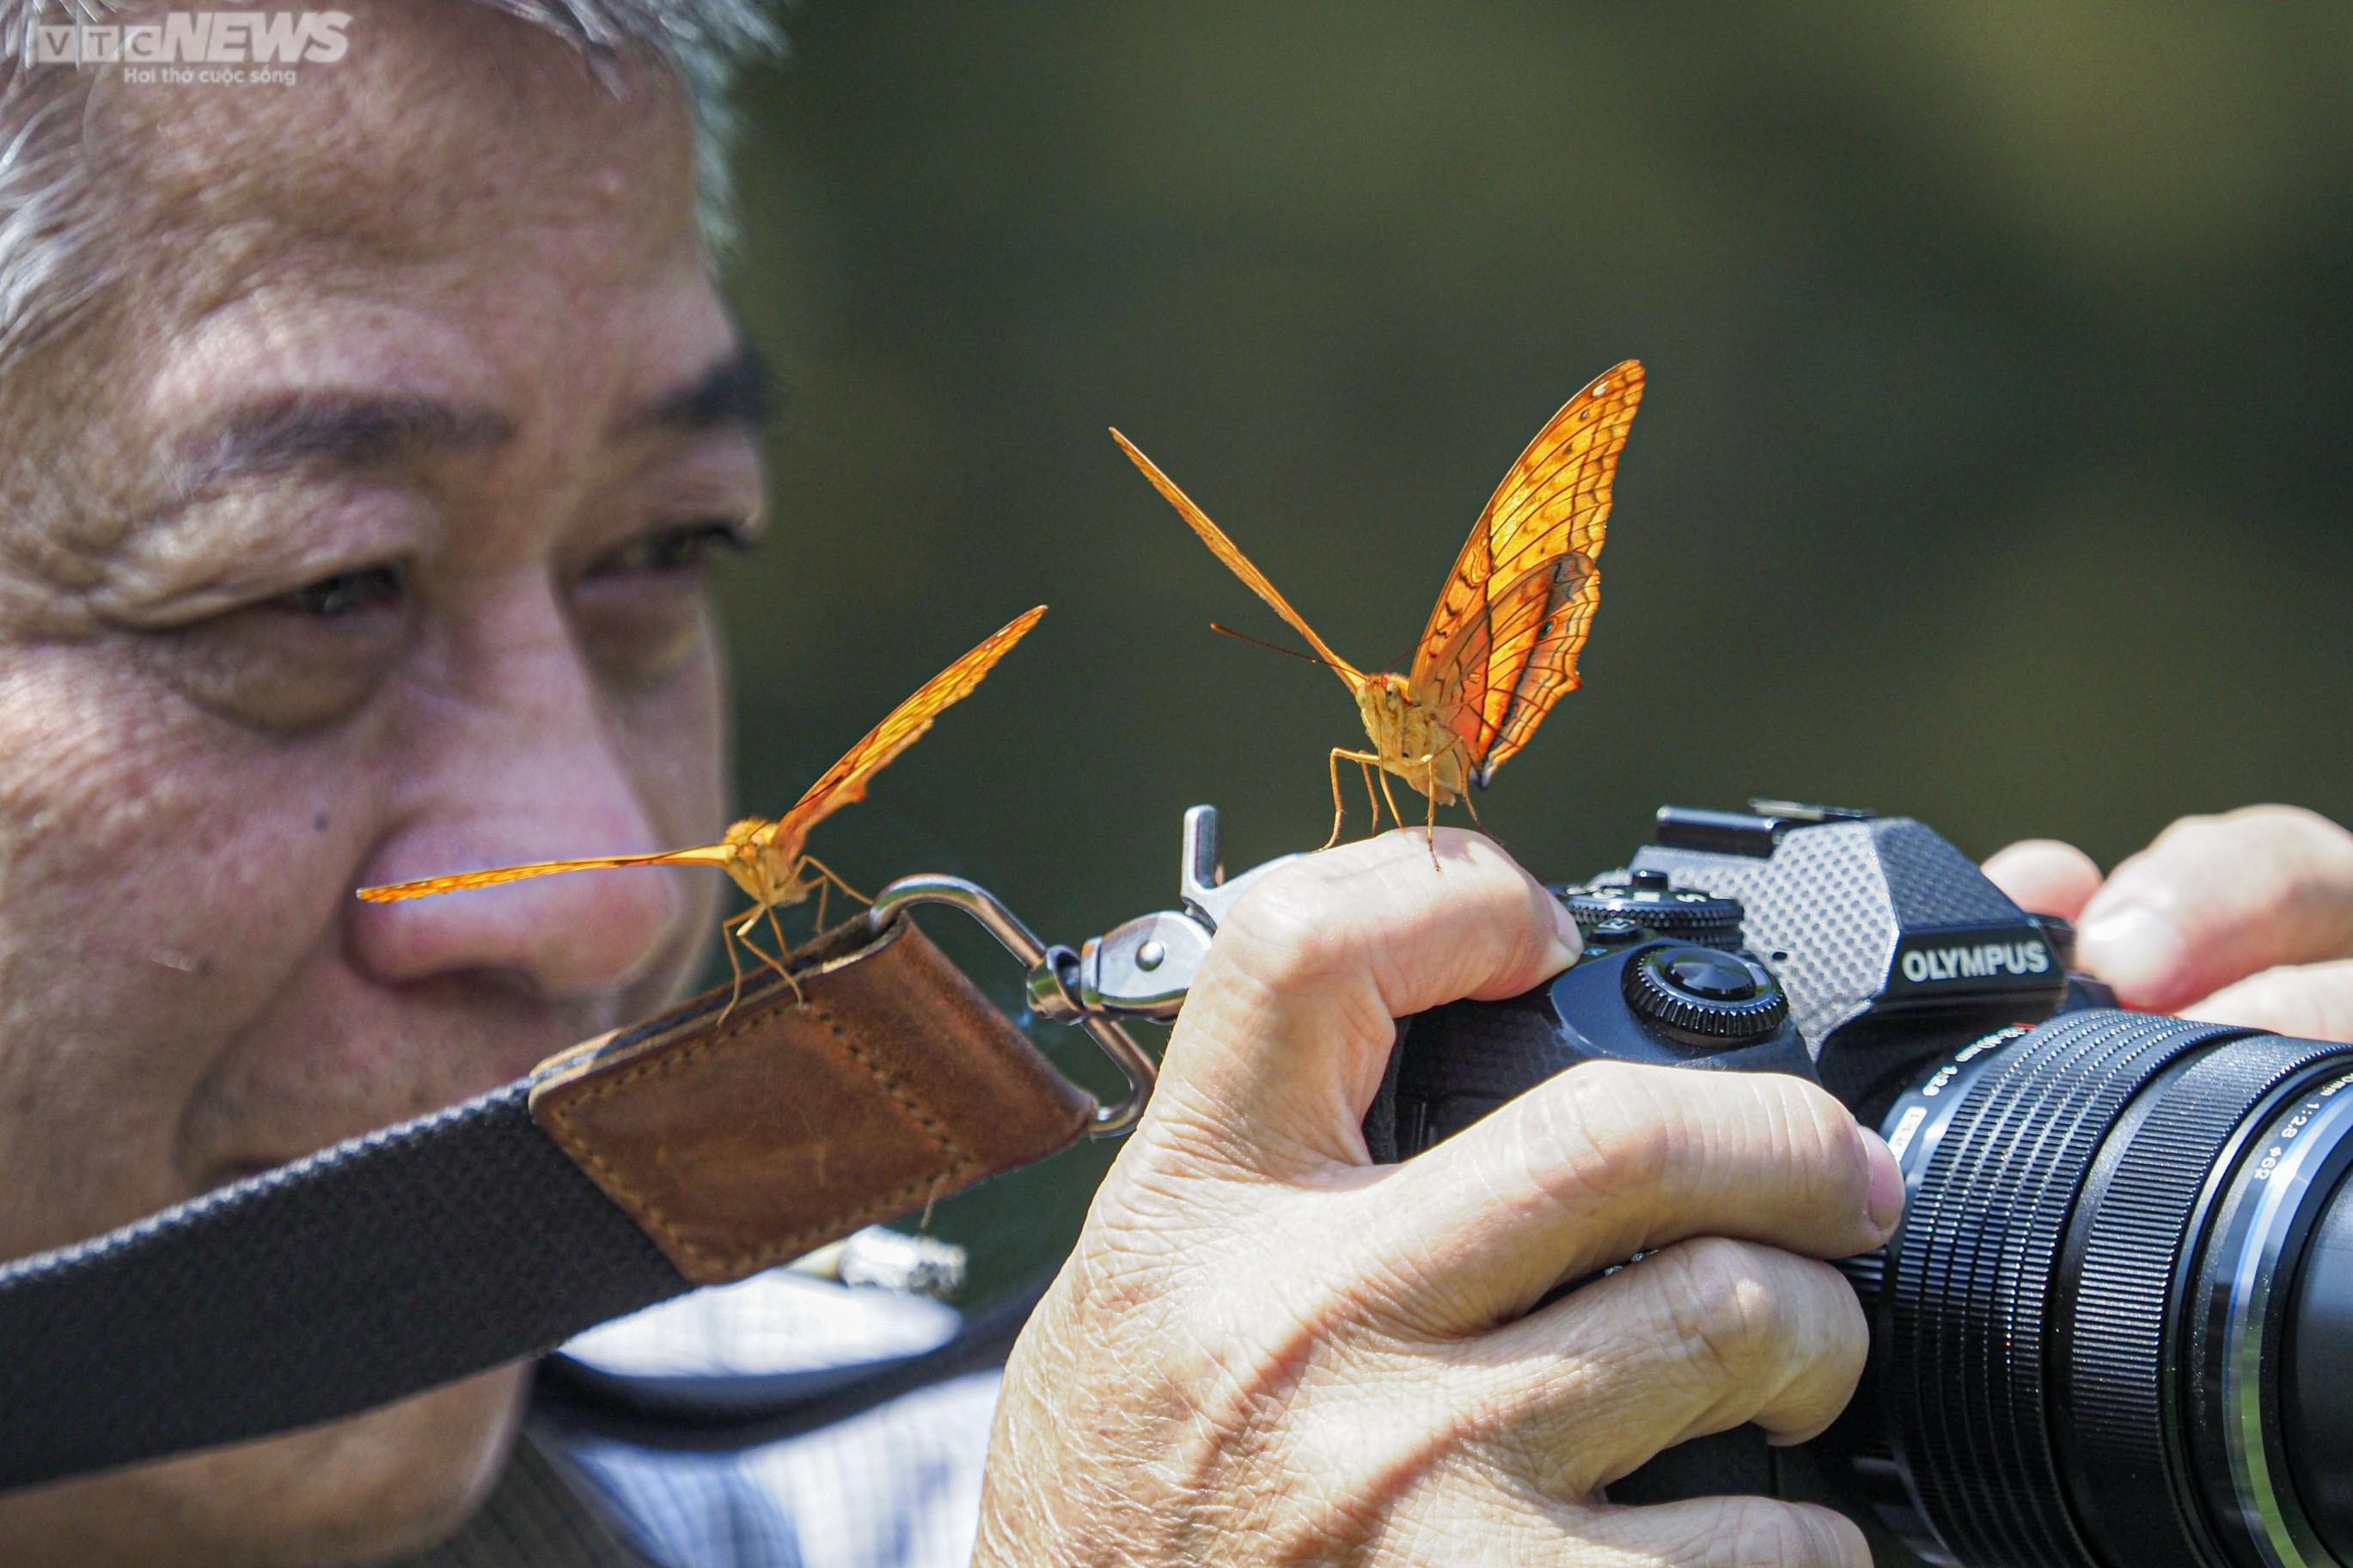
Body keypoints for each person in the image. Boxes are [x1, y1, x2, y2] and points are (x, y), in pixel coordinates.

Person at [1, 2, 2348, 1564]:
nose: (605, 901)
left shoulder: (919, 1471)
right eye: (306, 592)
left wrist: (2055, 1388)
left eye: (658, 555)